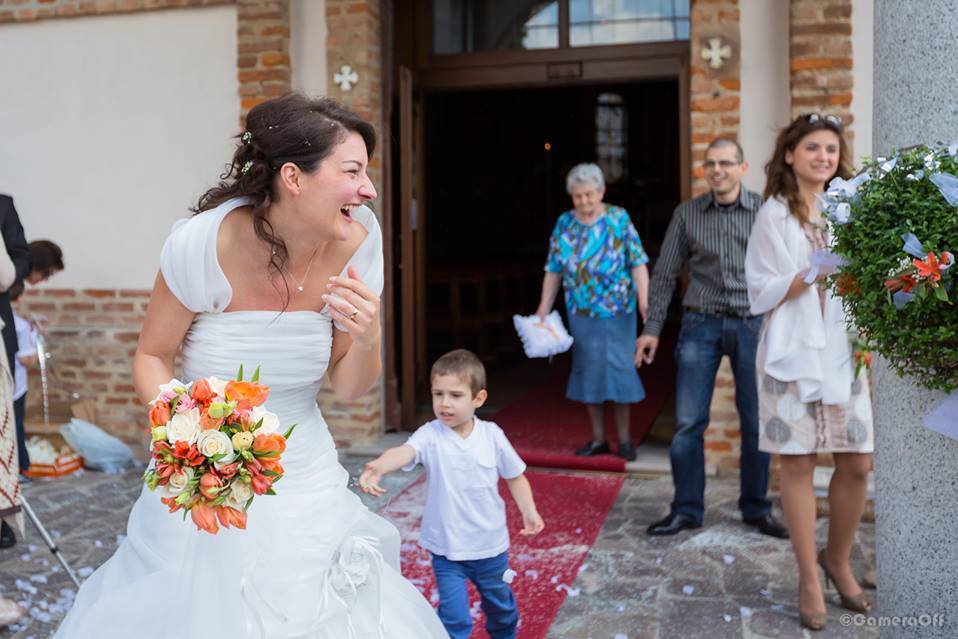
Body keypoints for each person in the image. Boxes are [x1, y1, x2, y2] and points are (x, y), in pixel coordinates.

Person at [55, 94, 447, 637]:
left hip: (306, 473)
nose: (369, 189)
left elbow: (351, 388)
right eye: (353, 171)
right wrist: (187, 437)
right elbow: (152, 355)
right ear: (294, 177)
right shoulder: (201, 245)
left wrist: (370, 334)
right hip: (210, 472)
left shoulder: (359, 241)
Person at [745, 114, 873, 631]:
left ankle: (837, 557)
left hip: (842, 349)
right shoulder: (773, 215)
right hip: (789, 352)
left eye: (831, 150)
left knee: (858, 461)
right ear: (792, 154)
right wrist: (811, 271)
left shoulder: (854, 208)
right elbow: (760, 287)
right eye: (813, 148)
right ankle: (808, 577)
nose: (824, 157)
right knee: (796, 465)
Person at [638, 139, 788, 539]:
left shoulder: (764, 211)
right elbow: (666, 274)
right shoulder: (687, 214)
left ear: (742, 167)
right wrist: (652, 329)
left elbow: (785, 269)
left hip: (752, 324)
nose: (717, 169)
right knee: (688, 422)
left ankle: (756, 508)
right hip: (699, 325)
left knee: (756, 422)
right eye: (711, 164)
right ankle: (686, 509)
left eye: (725, 163)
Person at [359, 349, 544, 639]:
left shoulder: (492, 435)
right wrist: (381, 465)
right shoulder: (430, 435)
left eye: (455, 395)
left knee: (502, 611)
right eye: (438, 394)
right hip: (447, 551)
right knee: (454, 619)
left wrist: (529, 510)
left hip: (490, 547)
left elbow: (515, 476)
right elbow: (406, 451)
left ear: (478, 399)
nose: (445, 403)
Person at [535, 163, 650, 461]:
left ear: (601, 191)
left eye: (589, 194)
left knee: (621, 370)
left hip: (619, 311)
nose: (584, 202)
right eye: (578, 196)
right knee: (589, 372)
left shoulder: (618, 219)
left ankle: (624, 441)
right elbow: (553, 269)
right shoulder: (564, 224)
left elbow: (638, 261)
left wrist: (644, 301)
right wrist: (543, 310)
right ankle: (598, 438)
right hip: (581, 312)